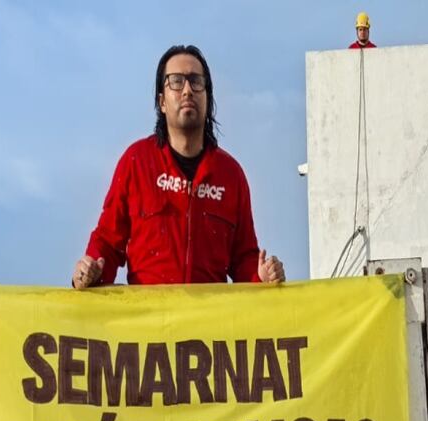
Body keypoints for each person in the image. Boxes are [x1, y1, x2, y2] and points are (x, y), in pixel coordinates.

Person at [73, 45, 284, 288]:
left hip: (208, 322)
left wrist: (262, 275)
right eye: (175, 81)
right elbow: (107, 245)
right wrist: (89, 271)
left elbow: (243, 259)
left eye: (196, 81)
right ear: (162, 101)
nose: (187, 90)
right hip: (148, 321)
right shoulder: (136, 162)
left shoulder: (231, 175)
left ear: (208, 98)